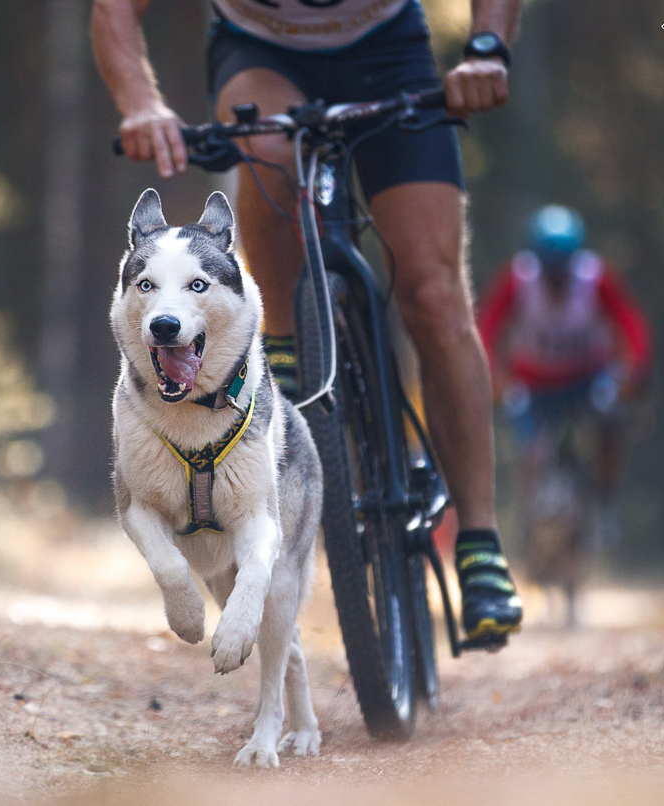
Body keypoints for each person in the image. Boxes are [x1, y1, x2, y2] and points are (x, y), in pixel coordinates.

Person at [91, 0, 524, 640]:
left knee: (434, 297)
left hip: (386, 49)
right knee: (267, 147)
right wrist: (140, 103)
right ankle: (285, 370)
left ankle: (480, 545)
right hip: (261, 51)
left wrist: (487, 47)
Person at [478, 205, 653, 555]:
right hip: (534, 383)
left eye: (562, 271)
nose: (557, 280)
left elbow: (631, 323)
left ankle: (605, 503)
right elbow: (487, 327)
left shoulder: (596, 278)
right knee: (530, 448)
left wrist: (635, 368)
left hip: (587, 378)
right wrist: (492, 374)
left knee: (610, 421)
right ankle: (529, 518)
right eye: (550, 272)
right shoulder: (518, 279)